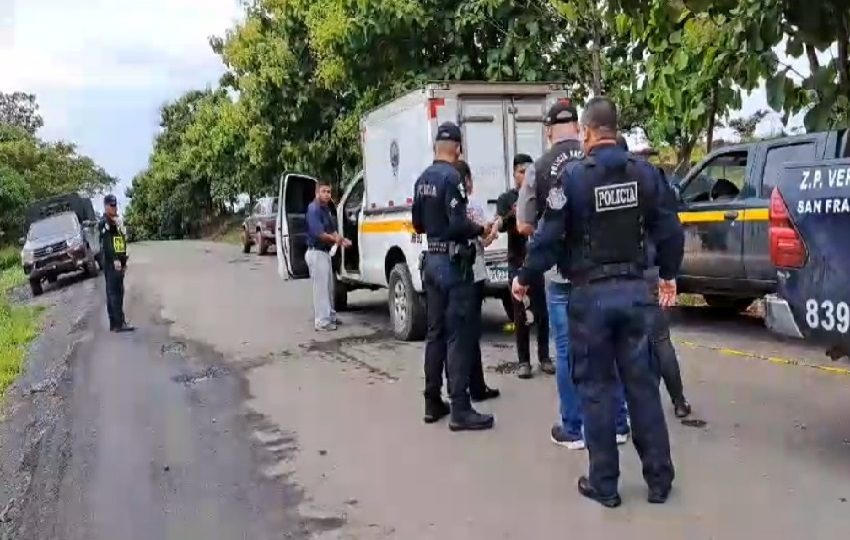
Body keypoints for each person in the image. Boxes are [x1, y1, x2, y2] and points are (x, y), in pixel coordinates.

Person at [513, 96, 684, 507]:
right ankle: (659, 480)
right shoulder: (646, 174)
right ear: (615, 129)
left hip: (590, 299)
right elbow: (671, 229)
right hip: (636, 293)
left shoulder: (572, 179)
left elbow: (549, 238)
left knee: (596, 390)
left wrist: (524, 276)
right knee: (642, 387)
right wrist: (668, 273)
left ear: (587, 132)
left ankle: (605, 485)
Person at [512, 101, 630, 449]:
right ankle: (618, 423)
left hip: (562, 275)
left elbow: (523, 225)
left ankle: (574, 427)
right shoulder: (597, 158)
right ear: (579, 128)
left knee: (566, 351)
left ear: (548, 131)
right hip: (605, 268)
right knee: (610, 346)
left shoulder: (539, 168)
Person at [413, 121, 494, 431]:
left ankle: (432, 401)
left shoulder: (422, 179)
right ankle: (460, 408)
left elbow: (418, 224)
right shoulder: (452, 177)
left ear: (436, 147)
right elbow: (459, 223)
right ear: (458, 148)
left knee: (434, 333)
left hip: (431, 260)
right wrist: (480, 229)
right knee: (458, 335)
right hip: (452, 263)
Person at [616, 136, 692, 419]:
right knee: (660, 339)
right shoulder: (649, 181)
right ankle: (679, 401)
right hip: (648, 269)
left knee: (623, 342)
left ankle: (629, 407)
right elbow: (672, 228)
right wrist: (668, 272)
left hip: (615, 275)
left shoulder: (597, 182)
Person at [491, 154, 553, 380]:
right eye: (521, 172)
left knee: (541, 311)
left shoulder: (538, 196)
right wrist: (514, 210)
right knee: (519, 313)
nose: (525, 176)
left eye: (528, 171)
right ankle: (523, 361)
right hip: (516, 263)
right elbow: (501, 224)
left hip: (535, 262)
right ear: (514, 174)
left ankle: (544, 357)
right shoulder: (506, 199)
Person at [456, 160, 500, 402]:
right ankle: (476, 387)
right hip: (474, 271)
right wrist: (492, 231)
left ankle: (468, 385)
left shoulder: (451, 207)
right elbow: (483, 240)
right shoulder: (472, 206)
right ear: (467, 181)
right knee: (472, 333)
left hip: (456, 273)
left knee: (461, 333)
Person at [305, 180, 350, 332]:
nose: (326, 194)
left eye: (328, 192)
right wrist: (335, 239)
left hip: (325, 253)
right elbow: (319, 234)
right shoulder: (313, 209)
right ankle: (322, 321)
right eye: (323, 191)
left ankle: (330, 316)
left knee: (329, 287)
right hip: (316, 252)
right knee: (321, 289)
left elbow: (332, 230)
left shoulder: (326, 209)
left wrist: (342, 240)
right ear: (316, 192)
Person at [99, 194, 134, 333]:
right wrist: (115, 259)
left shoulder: (116, 221)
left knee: (116, 291)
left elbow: (120, 240)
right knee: (115, 293)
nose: (114, 208)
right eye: (111, 206)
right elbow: (107, 243)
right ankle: (118, 323)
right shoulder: (105, 223)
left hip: (119, 260)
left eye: (115, 205)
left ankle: (115, 323)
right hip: (112, 262)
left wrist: (123, 260)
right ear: (106, 206)